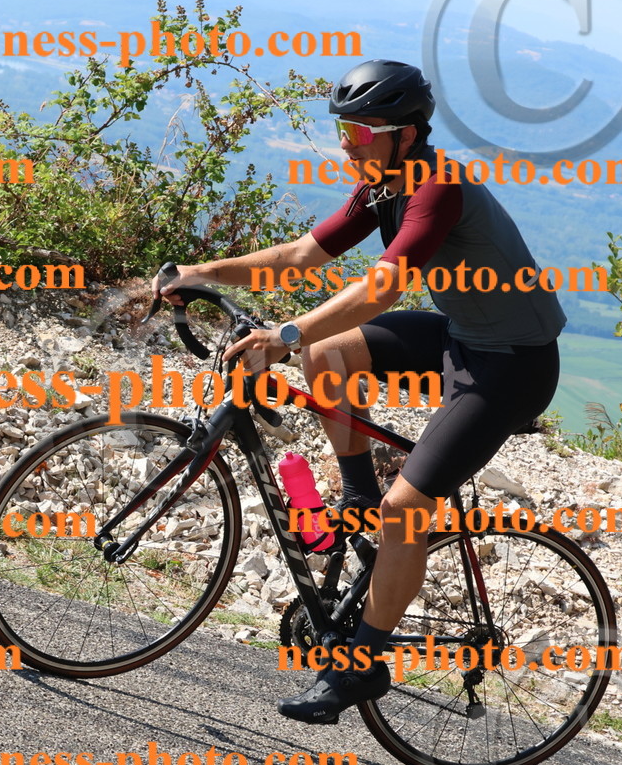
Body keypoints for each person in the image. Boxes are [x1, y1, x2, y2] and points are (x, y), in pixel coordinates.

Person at [152, 59, 565, 723]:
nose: (349, 146)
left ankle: (361, 664)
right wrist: (202, 271)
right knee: (331, 348)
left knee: (407, 508)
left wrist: (281, 336)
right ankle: (356, 490)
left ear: (405, 134)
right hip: (462, 337)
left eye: (362, 134)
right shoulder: (381, 186)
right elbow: (299, 257)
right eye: (344, 132)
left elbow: (381, 289)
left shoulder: (436, 187)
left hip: (512, 366)